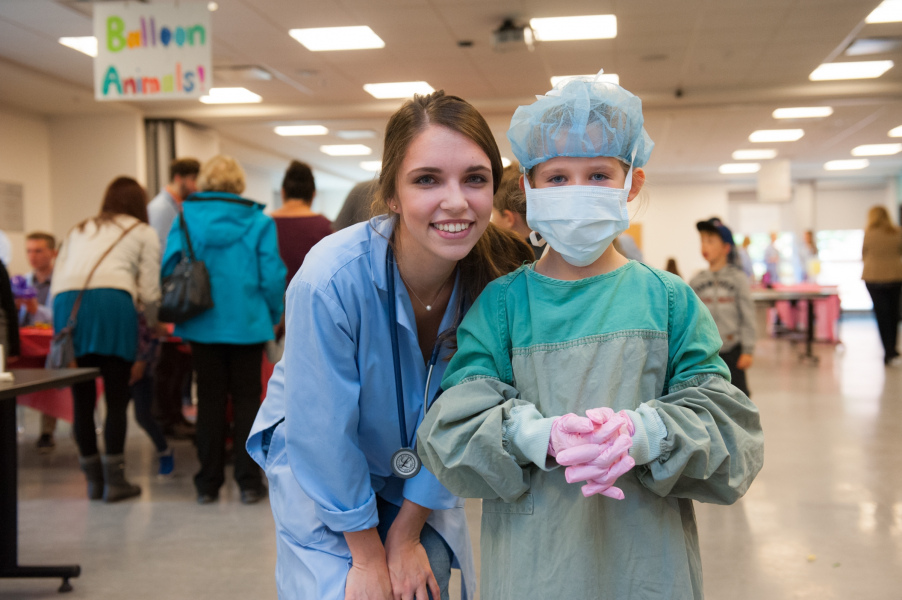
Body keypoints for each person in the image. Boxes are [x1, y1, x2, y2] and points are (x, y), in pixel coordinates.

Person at [417, 73, 764, 599]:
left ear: (632, 184)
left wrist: (648, 434)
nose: (577, 190)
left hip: (648, 566)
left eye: (599, 174)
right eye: (557, 178)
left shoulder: (668, 301)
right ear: (528, 189)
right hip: (537, 568)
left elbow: (733, 442)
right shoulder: (505, 306)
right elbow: (450, 434)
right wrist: (536, 437)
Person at [247, 91, 533, 600]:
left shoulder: (496, 284)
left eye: (475, 179)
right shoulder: (330, 280)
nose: (456, 201)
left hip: (422, 479)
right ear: (392, 194)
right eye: (427, 179)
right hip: (324, 475)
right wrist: (366, 554)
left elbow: (461, 422)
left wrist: (404, 534)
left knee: (426, 583)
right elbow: (323, 433)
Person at [161, 155, 286, 505]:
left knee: (210, 402)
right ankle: (248, 482)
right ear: (238, 183)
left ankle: (207, 484)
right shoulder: (259, 221)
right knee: (248, 400)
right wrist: (273, 315)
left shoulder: (185, 217)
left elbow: (168, 267)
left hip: (202, 324)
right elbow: (272, 275)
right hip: (248, 322)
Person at [51, 176, 161, 502]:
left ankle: (93, 481)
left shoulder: (79, 228)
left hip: (67, 307)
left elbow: (59, 278)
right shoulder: (142, 232)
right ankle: (116, 481)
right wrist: (154, 326)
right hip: (113, 305)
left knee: (81, 399)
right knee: (117, 397)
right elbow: (151, 291)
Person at [149, 158, 201, 440]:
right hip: (169, 295)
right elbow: (160, 256)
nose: (196, 187)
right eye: (193, 180)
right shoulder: (161, 209)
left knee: (179, 364)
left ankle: (175, 416)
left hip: (174, 292)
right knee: (169, 364)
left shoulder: (176, 207)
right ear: (180, 177)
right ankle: (166, 419)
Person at [691, 218, 756, 397]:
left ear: (726, 248)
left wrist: (748, 350)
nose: (704, 246)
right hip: (705, 354)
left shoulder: (737, 279)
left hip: (732, 351)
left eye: (711, 241)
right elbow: (691, 318)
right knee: (709, 399)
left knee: (738, 400)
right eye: (702, 241)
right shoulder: (697, 281)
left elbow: (748, 315)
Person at [17, 232, 57, 451]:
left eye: (38, 250)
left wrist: (36, 310)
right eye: (29, 251)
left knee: (52, 379)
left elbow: (64, 317)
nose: (32, 256)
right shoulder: (21, 281)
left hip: (51, 347)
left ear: (53, 253)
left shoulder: (62, 282)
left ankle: (46, 432)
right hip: (27, 346)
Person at [270, 160, 333, 286]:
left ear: (283, 192)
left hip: (272, 303)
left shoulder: (264, 225)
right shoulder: (327, 227)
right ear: (313, 194)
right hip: (310, 303)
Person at [861, 206, 902, 366]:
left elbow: (863, 255)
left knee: (881, 314)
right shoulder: (897, 232)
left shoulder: (868, 234)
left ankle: (887, 350)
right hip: (894, 276)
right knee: (894, 313)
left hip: (873, 277)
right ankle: (892, 348)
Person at [491, 175, 542, 258]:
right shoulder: (554, 249)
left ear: (508, 218)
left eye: (492, 214)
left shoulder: (513, 262)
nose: (492, 222)